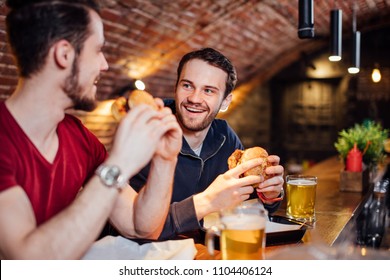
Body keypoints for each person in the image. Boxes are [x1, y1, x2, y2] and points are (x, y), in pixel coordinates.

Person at [0, 0, 182, 259]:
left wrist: (165, 159)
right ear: (64, 55)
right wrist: (119, 163)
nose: (105, 65)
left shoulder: (79, 137)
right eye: (98, 50)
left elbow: (141, 226)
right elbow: (29, 261)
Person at [130, 48, 285, 240]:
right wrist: (206, 202)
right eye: (187, 86)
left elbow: (247, 211)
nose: (194, 99)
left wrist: (269, 195)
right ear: (176, 87)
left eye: (208, 90)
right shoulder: (144, 133)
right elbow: (131, 227)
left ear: (225, 101)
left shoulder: (225, 136)